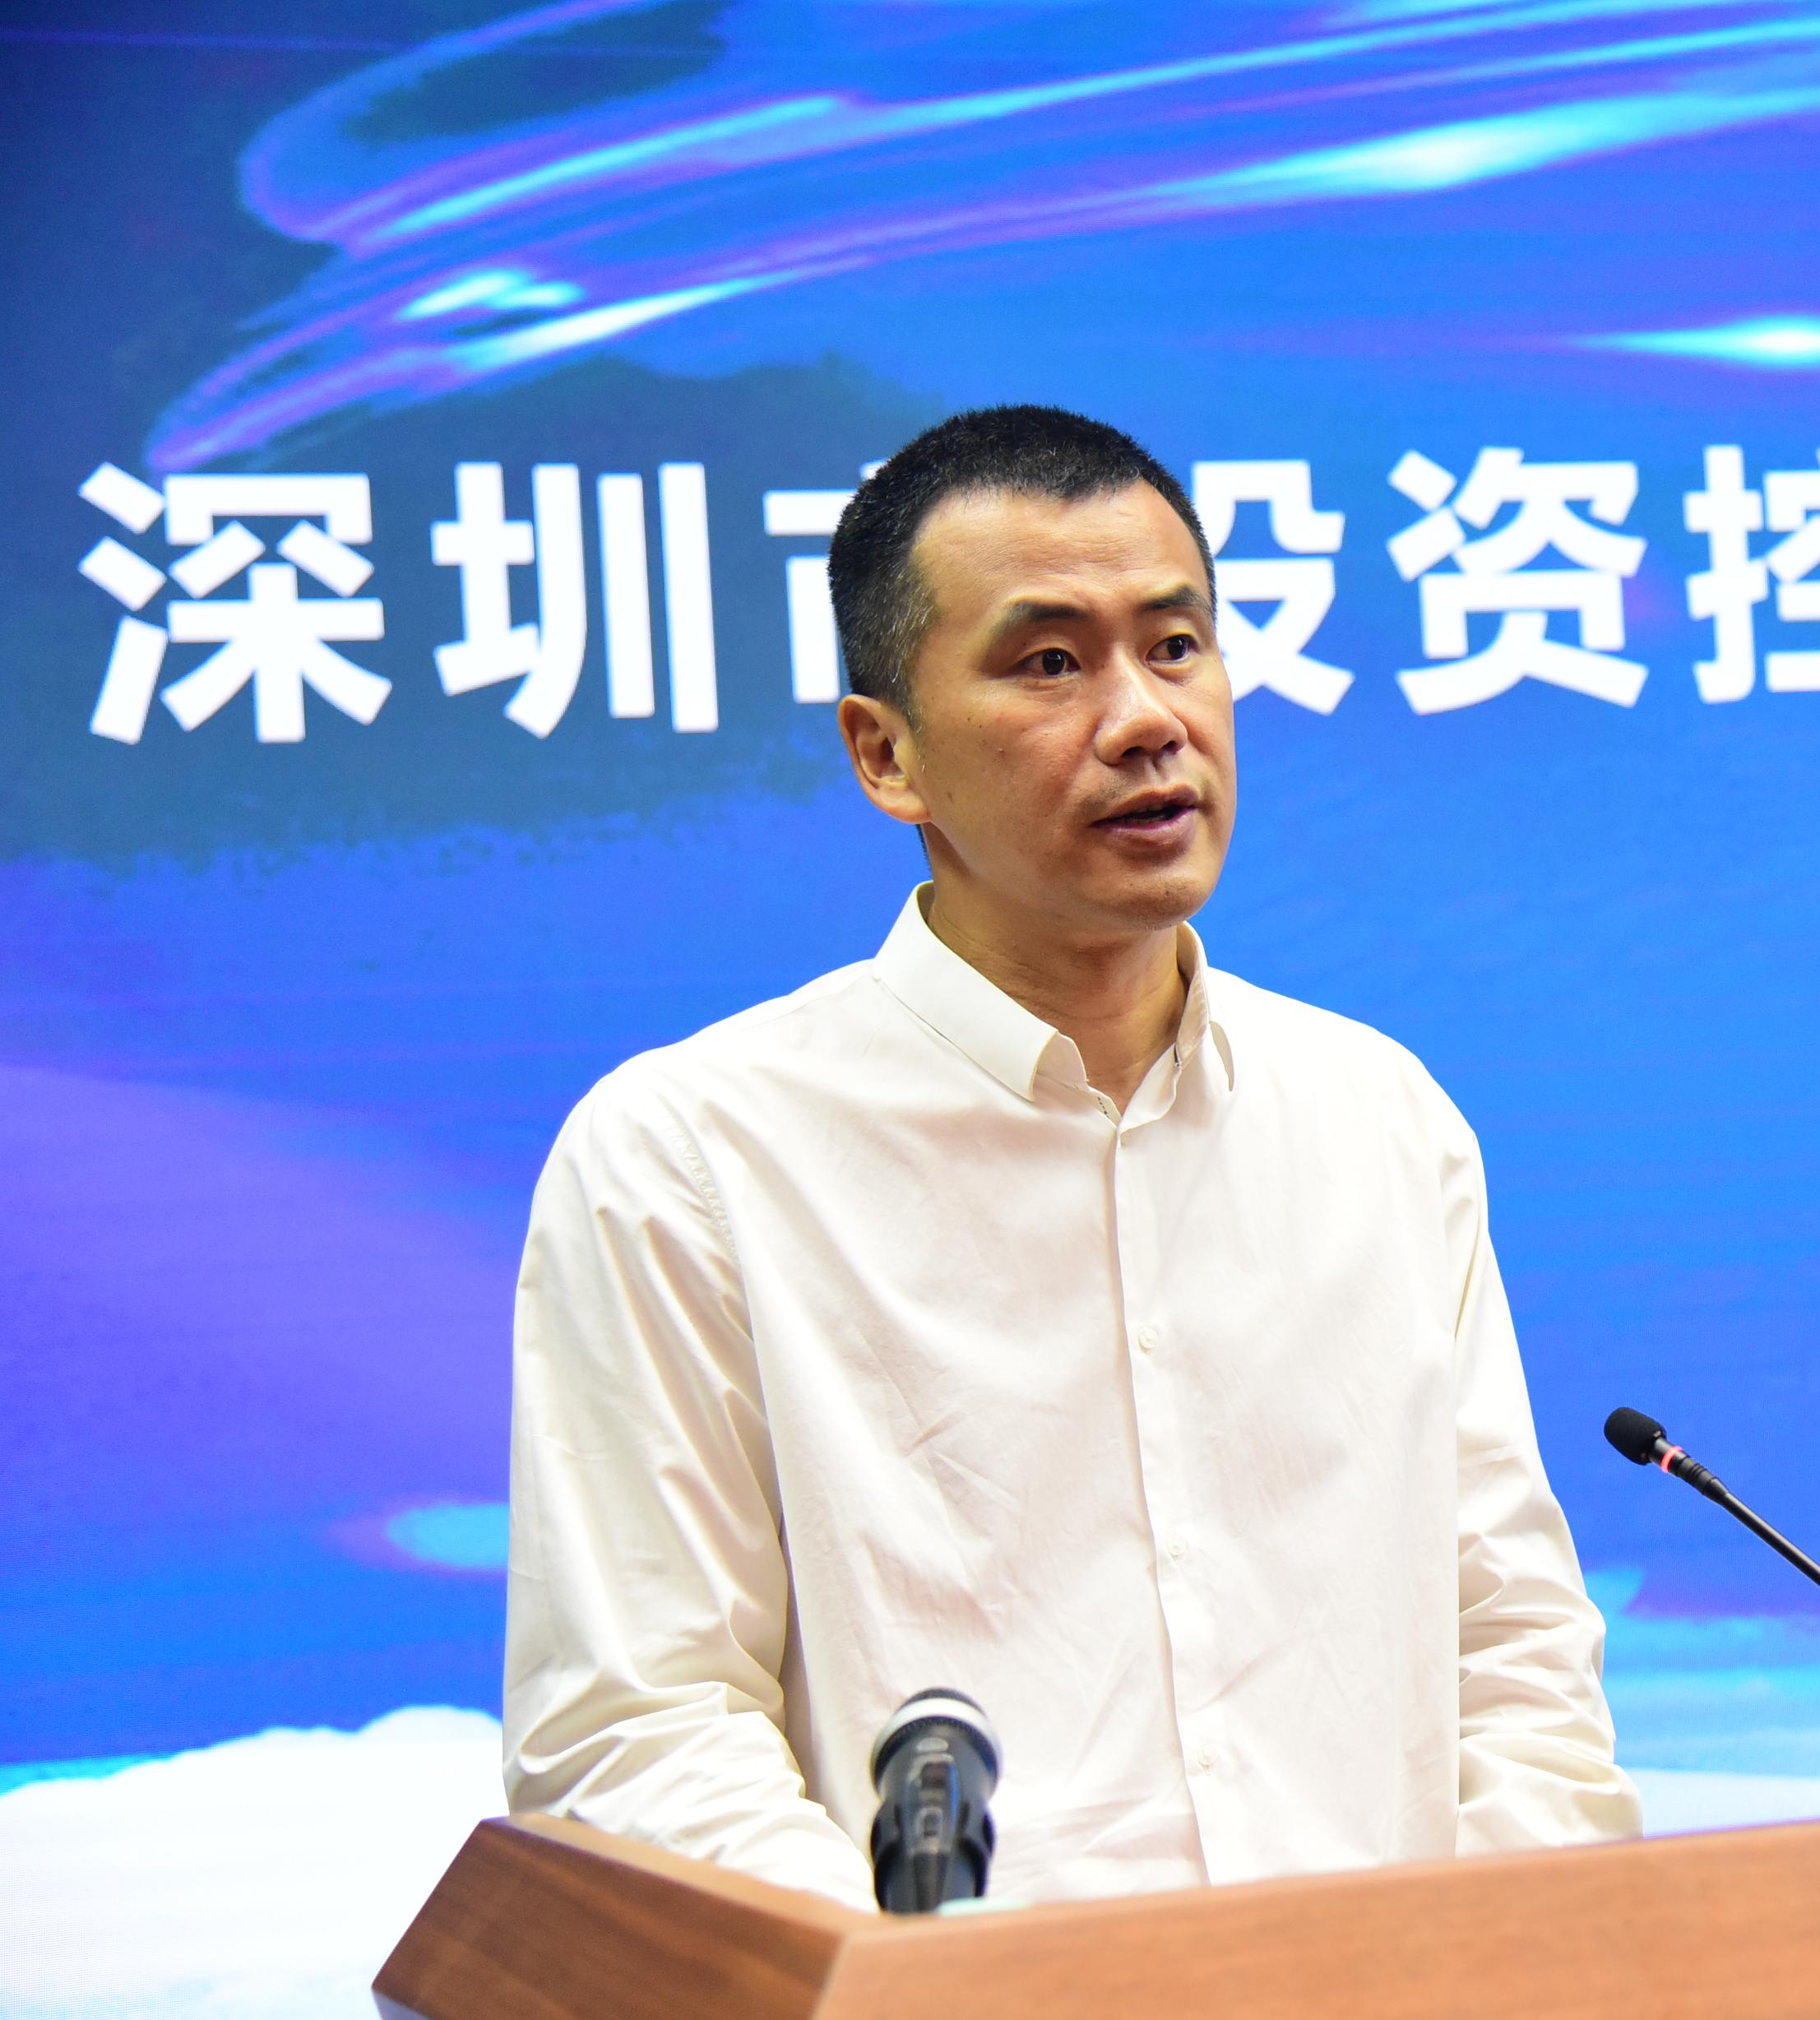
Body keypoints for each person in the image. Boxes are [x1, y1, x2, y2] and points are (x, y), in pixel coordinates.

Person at [501, 405, 1639, 1909]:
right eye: (1051, 663)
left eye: (1176, 646)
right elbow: (635, 1733)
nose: (1147, 719)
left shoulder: (1375, 1117)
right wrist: (934, 1997)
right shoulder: (690, 1158)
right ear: (886, 754)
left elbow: (1513, 1652)